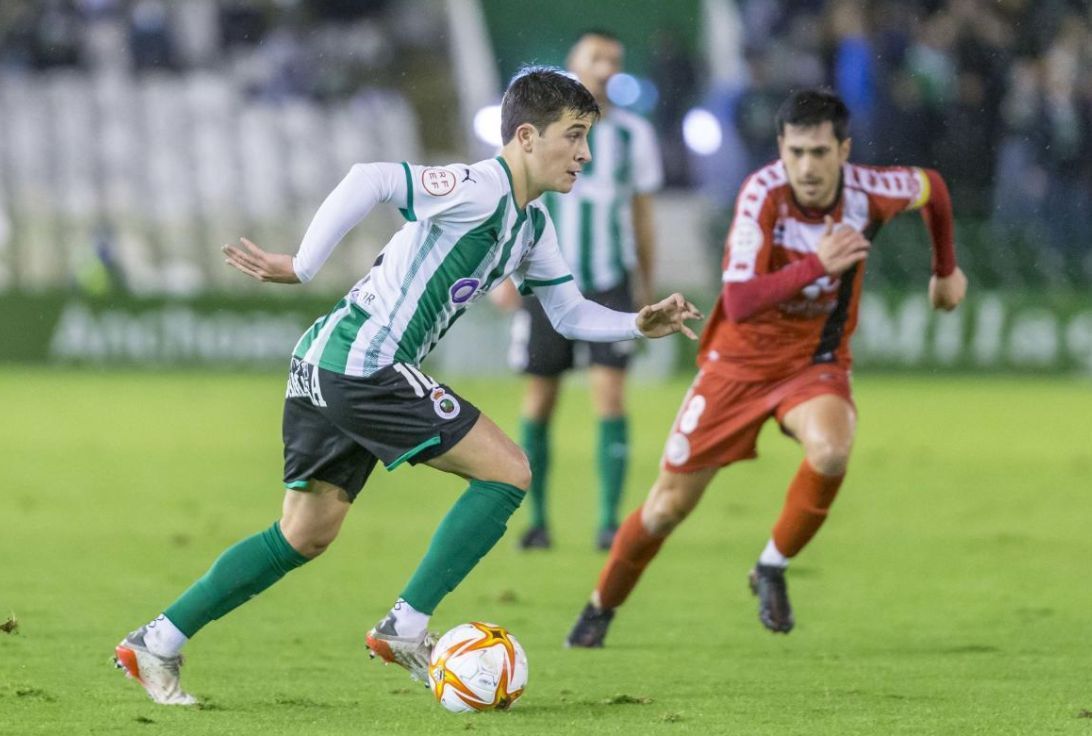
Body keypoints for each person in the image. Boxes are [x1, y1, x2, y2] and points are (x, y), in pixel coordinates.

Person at [112, 66, 701, 705]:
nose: (585, 153)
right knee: (507, 473)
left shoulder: (531, 227)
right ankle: (406, 627)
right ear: (527, 136)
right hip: (366, 363)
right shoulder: (479, 187)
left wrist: (637, 325)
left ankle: (157, 641)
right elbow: (371, 178)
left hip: (326, 360)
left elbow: (567, 313)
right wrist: (301, 265)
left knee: (303, 534)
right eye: (575, 135)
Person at [566, 89, 967, 647]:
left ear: (843, 150)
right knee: (666, 507)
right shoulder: (762, 194)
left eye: (820, 152)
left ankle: (771, 566)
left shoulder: (872, 190)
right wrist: (816, 264)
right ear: (781, 146)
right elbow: (742, 298)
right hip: (735, 366)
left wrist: (945, 270)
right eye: (796, 151)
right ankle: (599, 608)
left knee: (831, 447)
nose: (807, 165)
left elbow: (935, 188)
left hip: (813, 362)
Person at [492, 30, 663, 552]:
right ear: (574, 63)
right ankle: (537, 521)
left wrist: (645, 282)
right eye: (596, 57)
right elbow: (510, 197)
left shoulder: (633, 135)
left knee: (610, 396)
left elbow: (640, 213)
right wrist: (502, 273)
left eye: (614, 59)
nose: (606, 67)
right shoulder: (538, 131)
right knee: (540, 397)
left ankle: (610, 522)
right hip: (543, 282)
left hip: (609, 280)